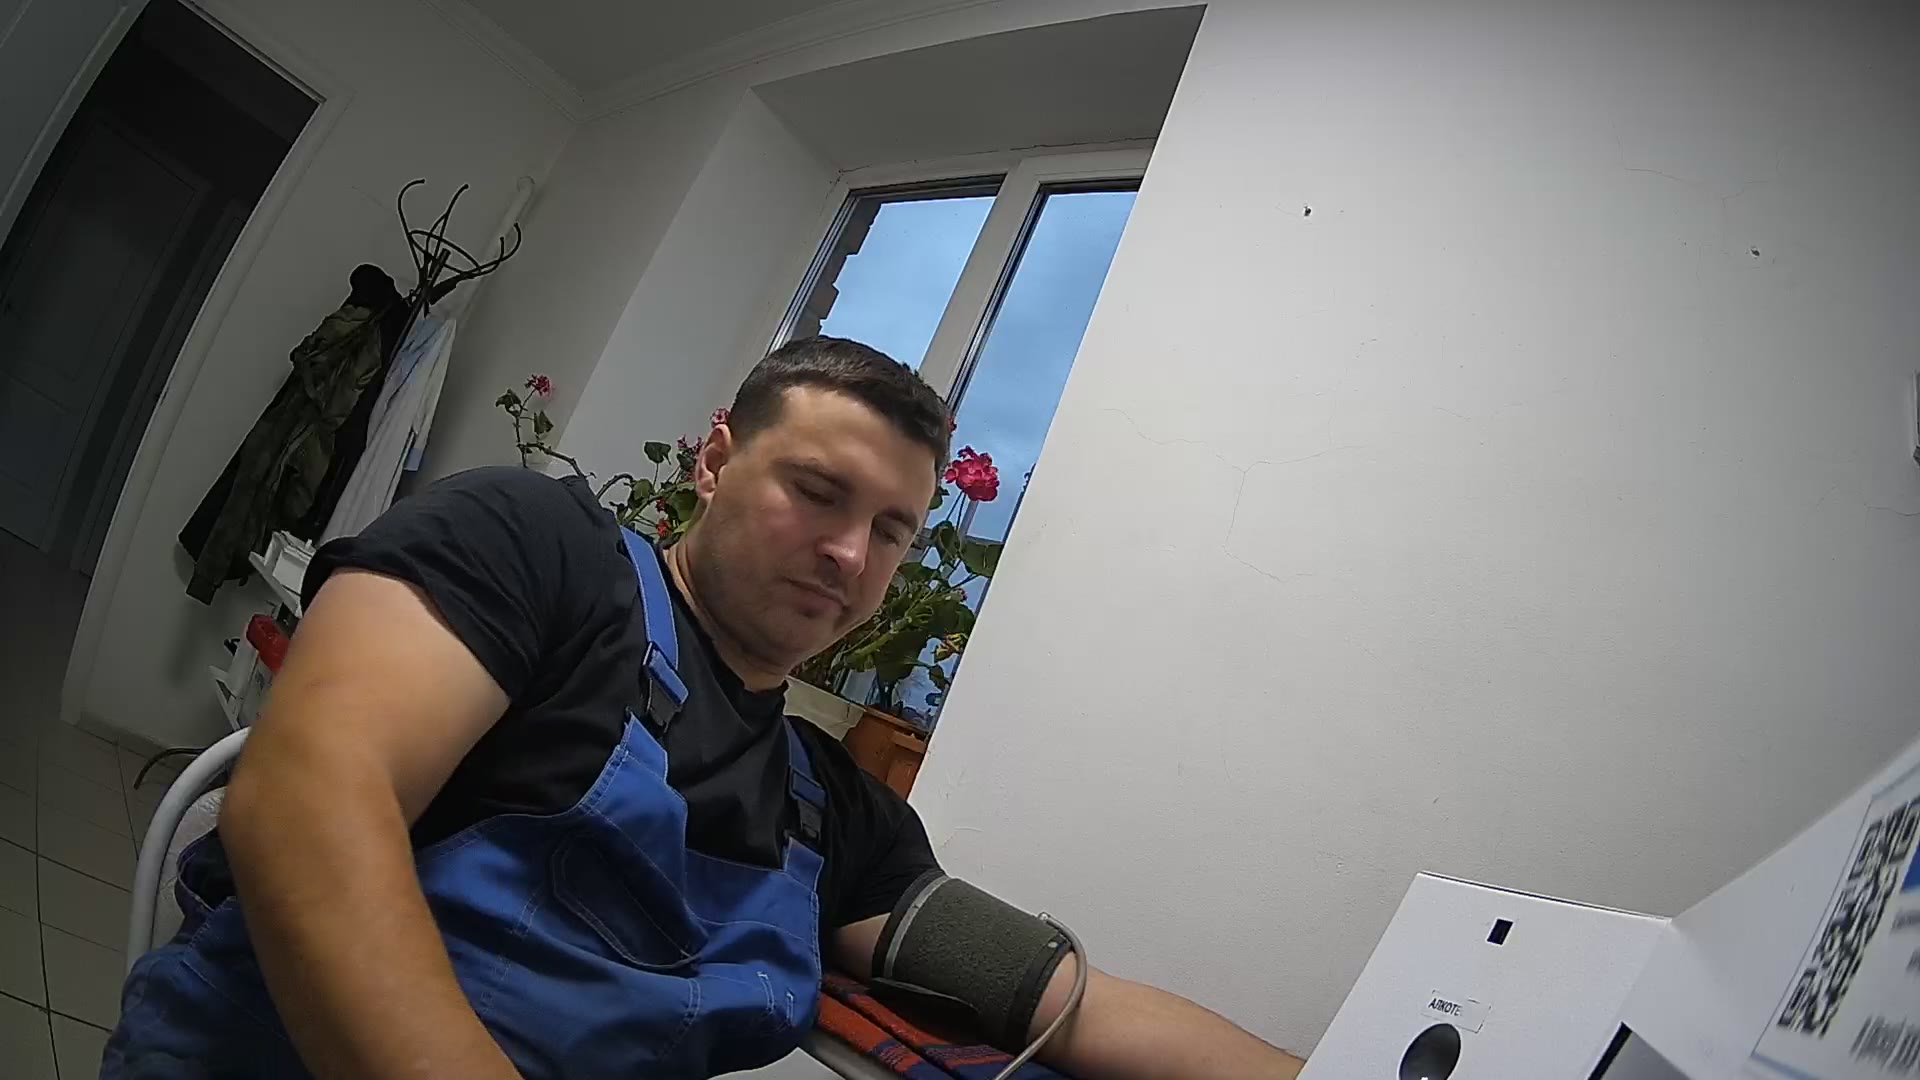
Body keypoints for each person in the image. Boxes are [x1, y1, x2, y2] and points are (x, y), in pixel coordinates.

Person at [106, 336, 1297, 1078]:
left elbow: (1066, 1000)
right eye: (818, 492)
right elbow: (308, 803)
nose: (850, 555)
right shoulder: (539, 551)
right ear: (716, 462)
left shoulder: (830, 808)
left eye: (891, 531)